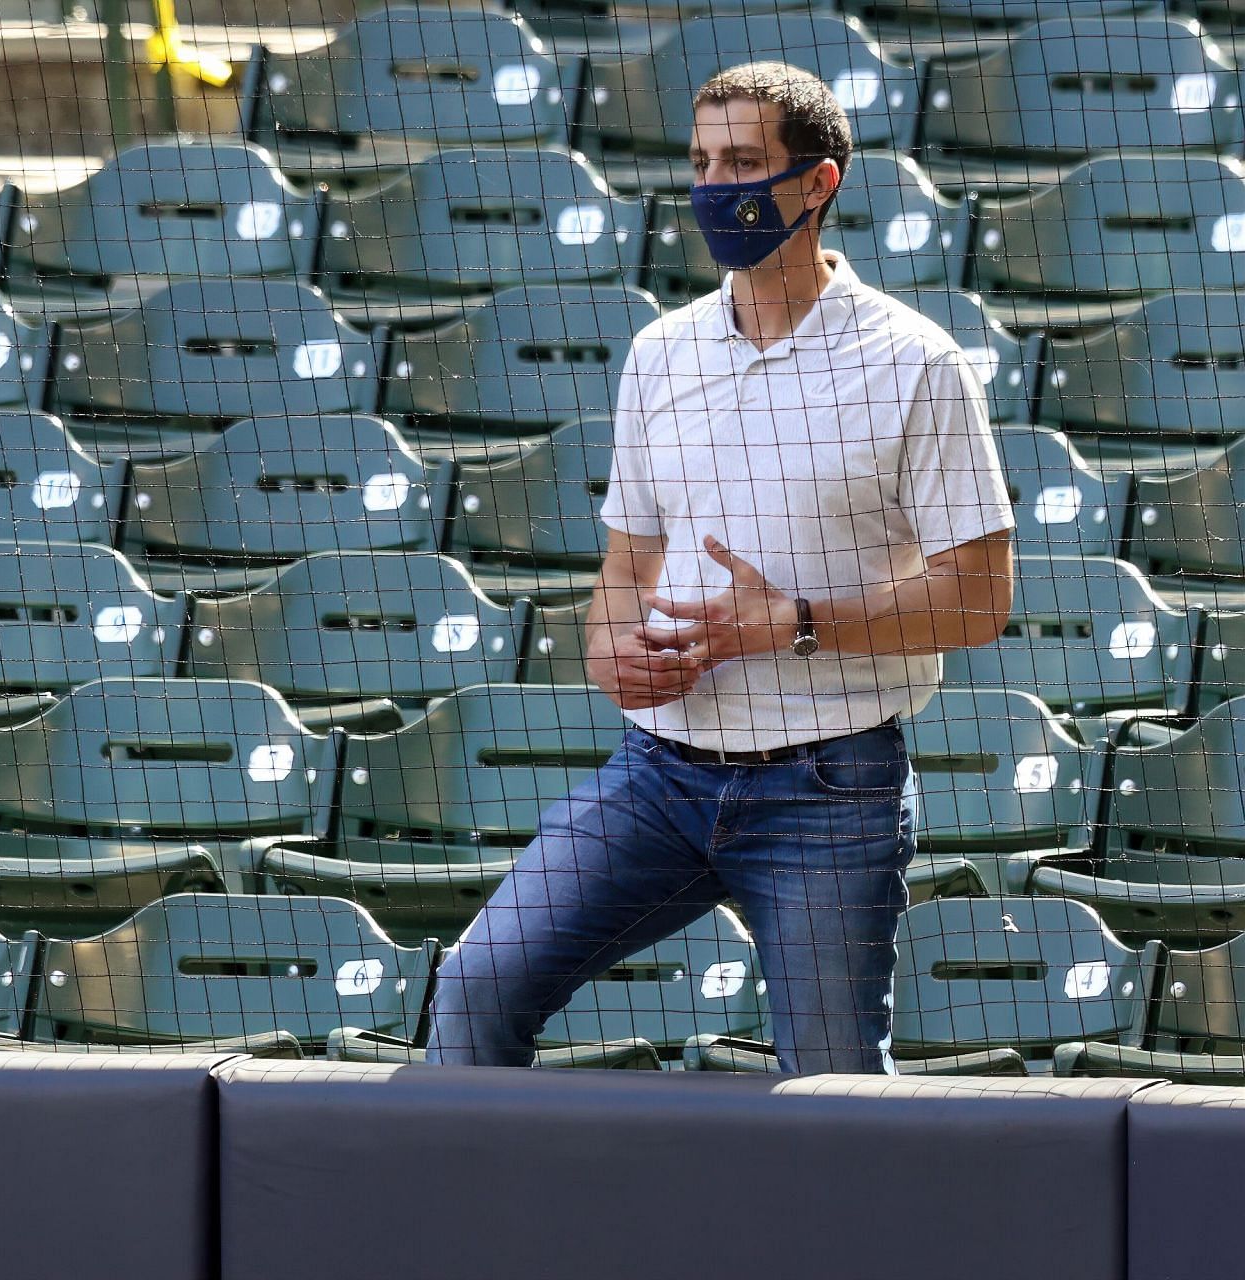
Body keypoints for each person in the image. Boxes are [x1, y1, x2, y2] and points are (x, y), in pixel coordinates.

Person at [426, 62, 1017, 1072]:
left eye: (743, 161)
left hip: (829, 784)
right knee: (478, 984)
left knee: (833, 1089)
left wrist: (792, 623)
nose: (714, 186)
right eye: (701, 162)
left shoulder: (918, 363)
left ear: (818, 183)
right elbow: (628, 556)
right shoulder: (662, 352)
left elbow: (979, 599)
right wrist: (609, 644)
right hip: (659, 773)